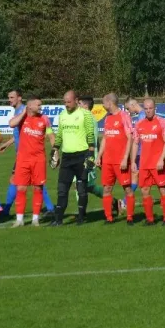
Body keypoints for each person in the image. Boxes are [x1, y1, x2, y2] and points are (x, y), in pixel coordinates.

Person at [0, 89, 55, 216]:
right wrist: (7, 144)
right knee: (23, 182)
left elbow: (48, 134)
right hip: (22, 153)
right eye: (9, 97)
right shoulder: (19, 112)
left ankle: (6, 210)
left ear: (20, 98)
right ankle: (50, 208)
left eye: (12, 97)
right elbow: (18, 133)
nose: (9, 100)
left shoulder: (27, 111)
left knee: (19, 181)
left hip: (27, 155)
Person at [50, 90, 96, 226]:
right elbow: (59, 135)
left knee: (81, 189)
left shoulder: (85, 114)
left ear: (76, 100)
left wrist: (91, 153)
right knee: (62, 189)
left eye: (68, 102)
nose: (66, 104)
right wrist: (55, 149)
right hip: (67, 157)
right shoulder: (62, 115)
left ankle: (81, 218)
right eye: (64, 102)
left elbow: (90, 133)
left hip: (81, 155)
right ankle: (58, 220)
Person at [131, 98, 165, 225]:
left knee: (163, 189)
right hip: (144, 163)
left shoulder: (162, 123)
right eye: (146, 108)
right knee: (144, 190)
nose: (148, 111)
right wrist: (133, 161)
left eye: (151, 108)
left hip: (158, 164)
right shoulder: (139, 125)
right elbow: (136, 143)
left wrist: (161, 159)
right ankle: (150, 219)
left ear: (155, 108)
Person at [96, 93, 135, 224]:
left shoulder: (124, 116)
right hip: (107, 161)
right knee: (107, 189)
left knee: (127, 188)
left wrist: (125, 158)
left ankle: (130, 217)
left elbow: (130, 138)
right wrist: (99, 155)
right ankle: (109, 218)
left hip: (120, 161)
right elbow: (105, 138)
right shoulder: (107, 118)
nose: (102, 105)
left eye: (104, 102)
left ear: (110, 103)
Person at [77, 96, 119, 213]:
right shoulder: (88, 118)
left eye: (79, 103)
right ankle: (114, 202)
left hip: (87, 157)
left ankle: (82, 213)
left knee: (80, 185)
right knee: (86, 186)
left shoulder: (87, 118)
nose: (78, 105)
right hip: (84, 156)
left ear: (85, 106)